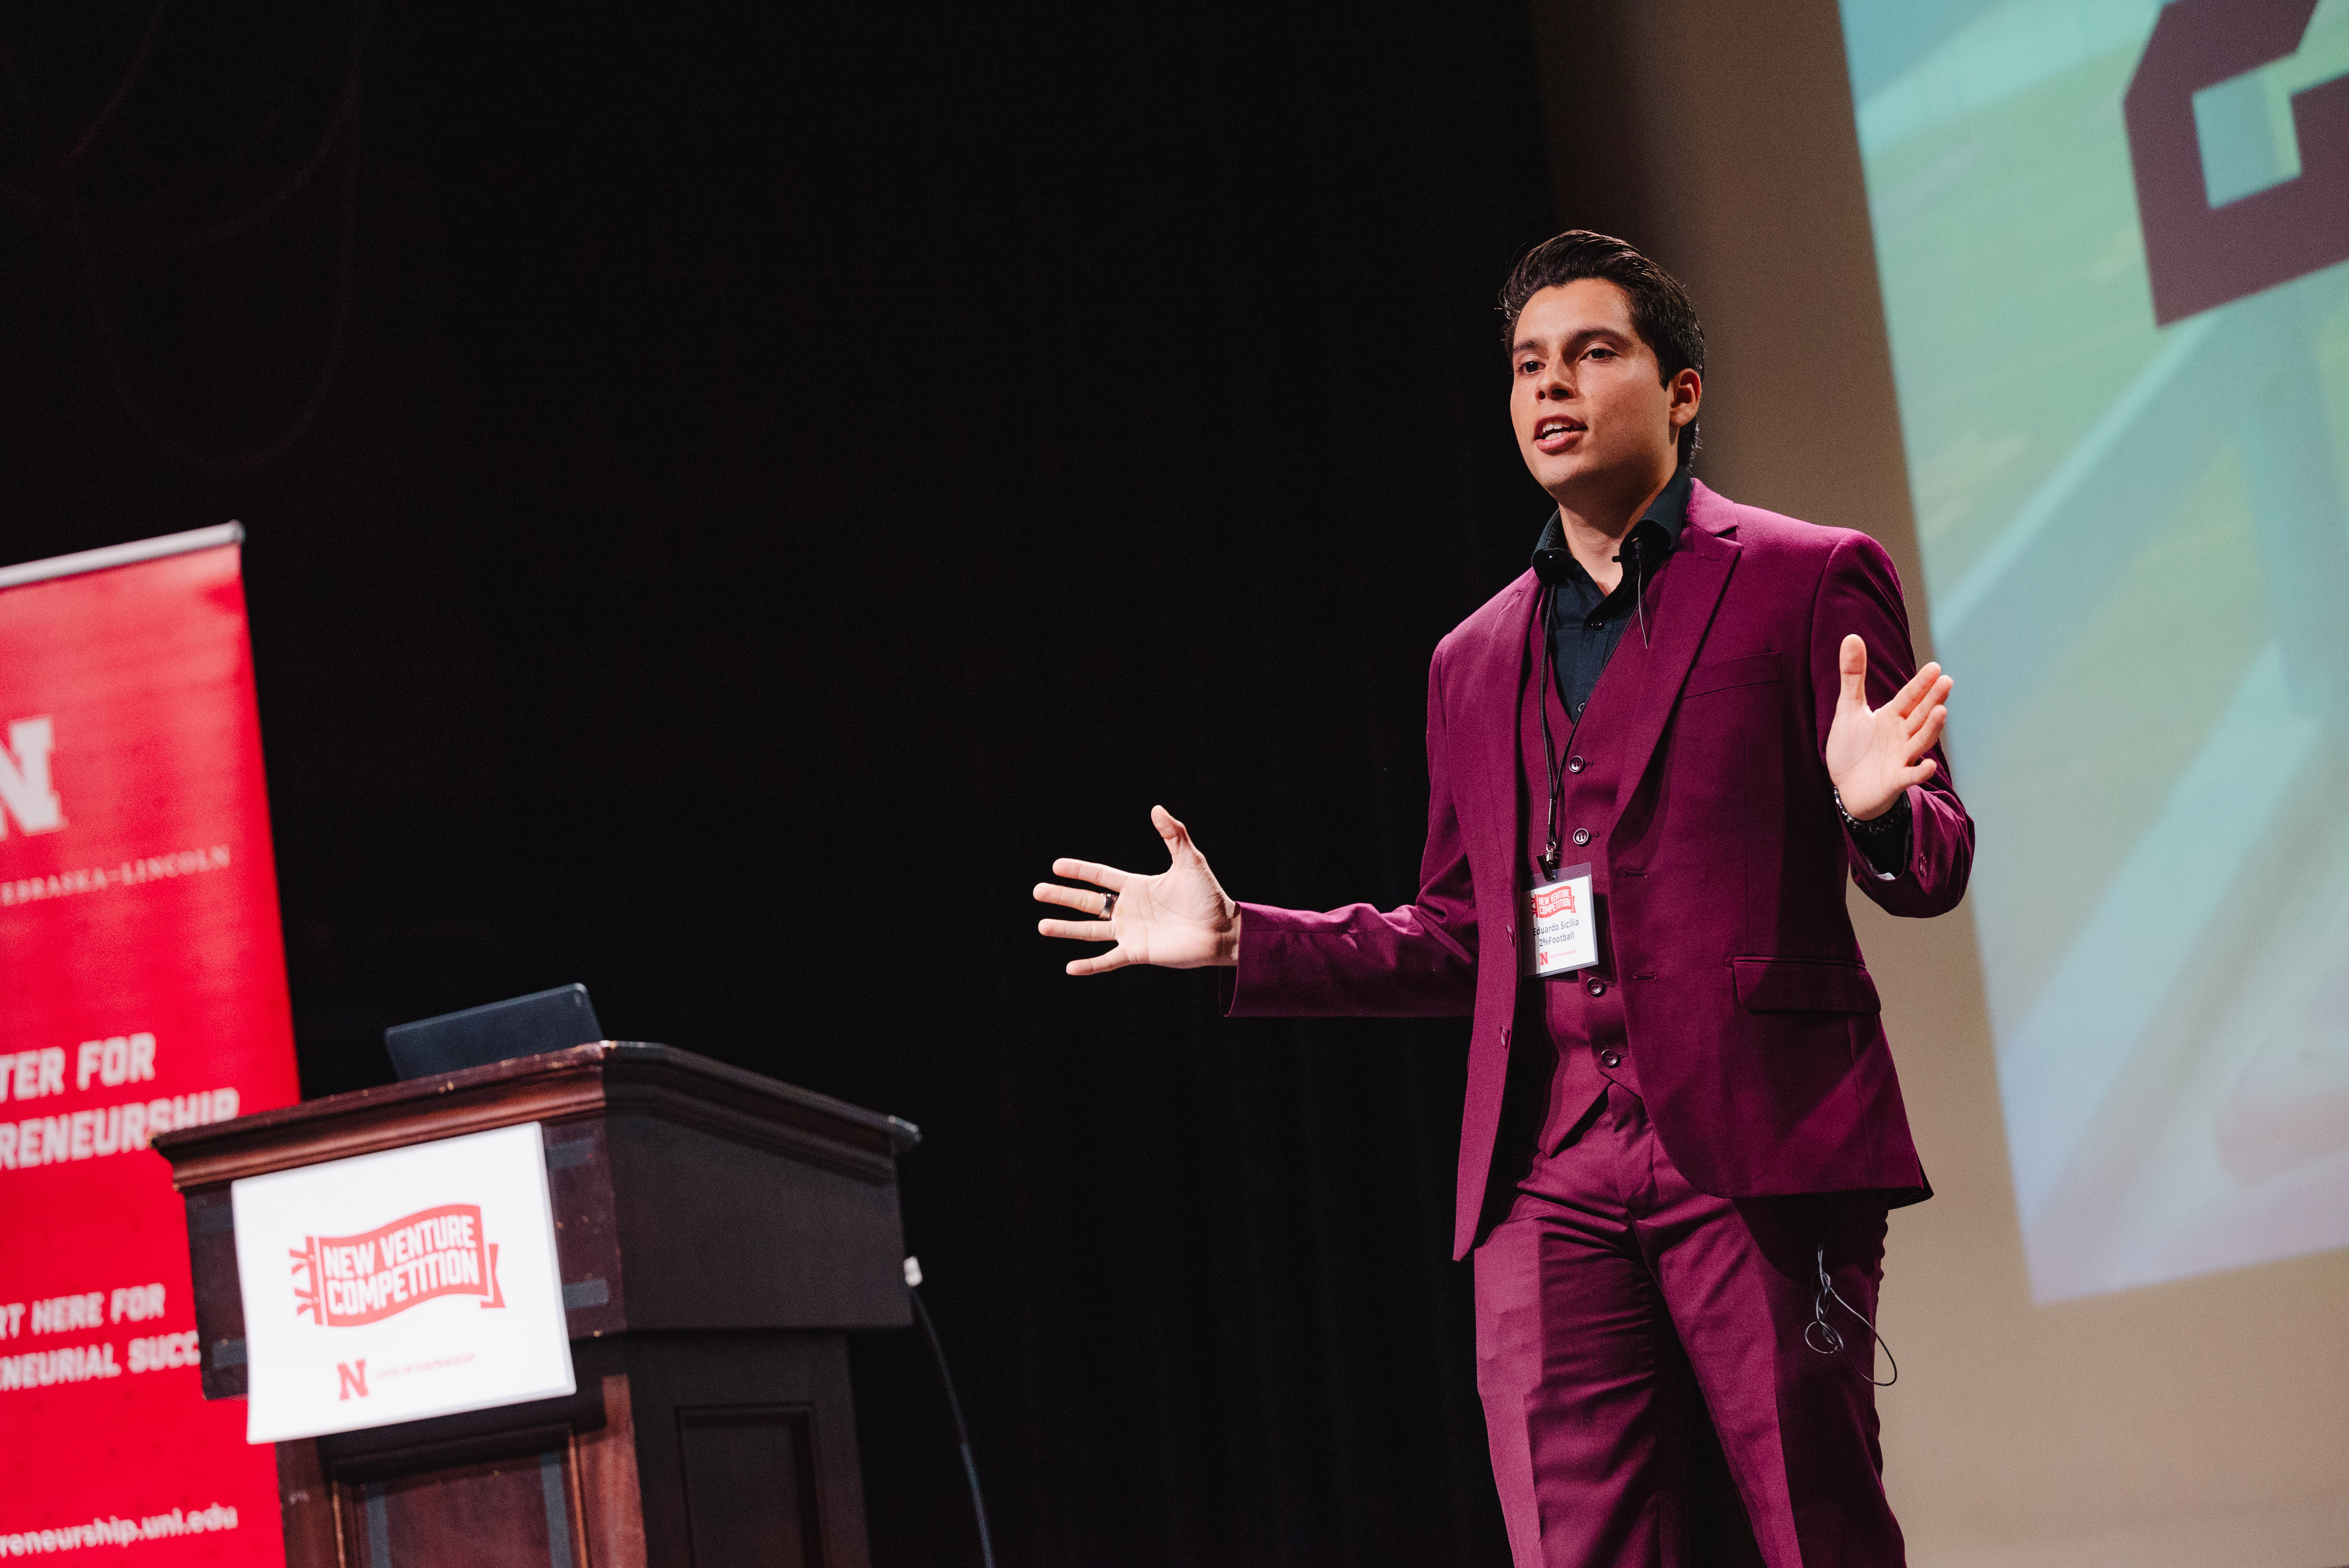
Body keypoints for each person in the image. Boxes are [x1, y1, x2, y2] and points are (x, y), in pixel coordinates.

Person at [1033, 230, 1970, 1568]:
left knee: (1812, 1536)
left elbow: (1936, 861)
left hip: (1761, 1147)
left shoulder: (1805, 577)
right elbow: (1462, 935)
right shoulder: (1470, 660)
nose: (1553, 387)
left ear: (1683, 392)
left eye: (1594, 353)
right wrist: (1248, 942)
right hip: (1545, 1176)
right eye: (1529, 364)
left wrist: (1878, 810)